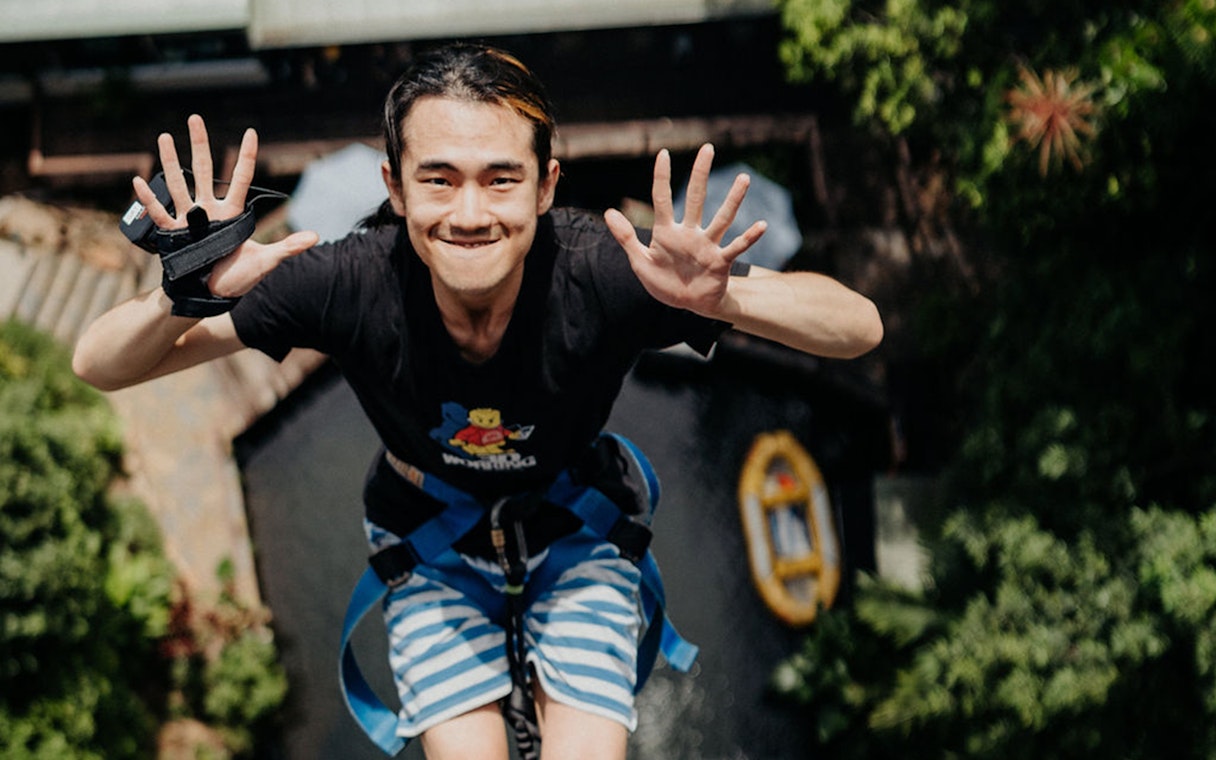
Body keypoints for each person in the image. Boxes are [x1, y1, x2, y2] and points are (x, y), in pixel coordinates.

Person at [73, 43, 882, 760]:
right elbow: (101, 364)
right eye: (438, 179)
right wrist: (179, 296)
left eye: (501, 180)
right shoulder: (348, 282)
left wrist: (722, 302)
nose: (469, 214)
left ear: (545, 187)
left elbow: (857, 327)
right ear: (395, 188)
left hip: (575, 524)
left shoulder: (604, 273)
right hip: (432, 537)